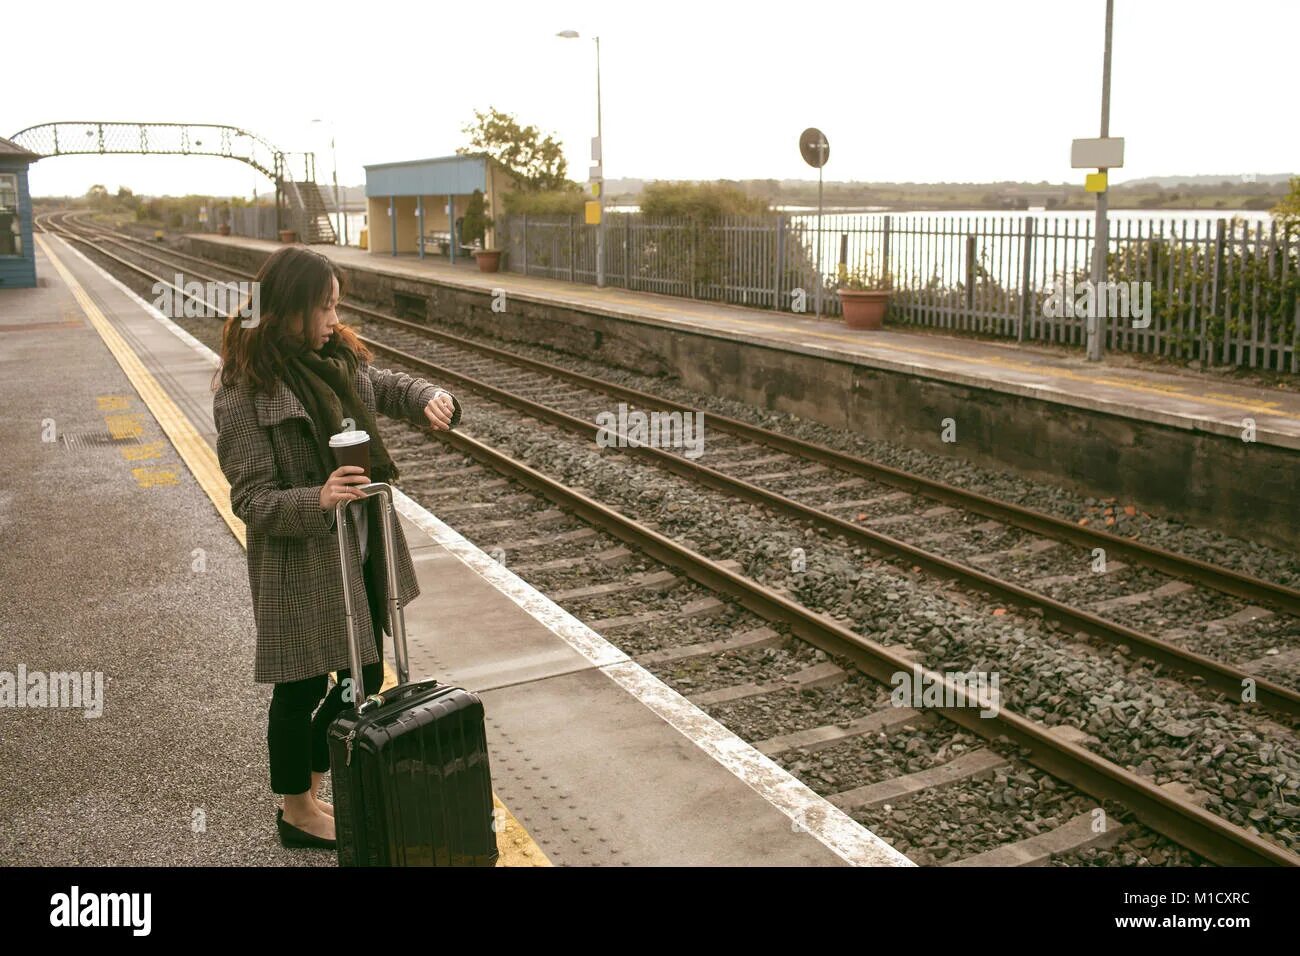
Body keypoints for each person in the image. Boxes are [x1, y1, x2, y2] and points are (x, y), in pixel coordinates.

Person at [211, 246, 461, 850]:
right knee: (300, 685)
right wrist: (316, 498)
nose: (332, 318)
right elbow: (250, 499)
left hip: (362, 548)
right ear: (288, 308)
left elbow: (387, 385)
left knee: (367, 673)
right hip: (300, 559)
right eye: (323, 307)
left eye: (336, 306)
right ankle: (297, 811)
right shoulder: (243, 389)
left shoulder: (335, 360)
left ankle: (314, 786)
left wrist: (431, 396)